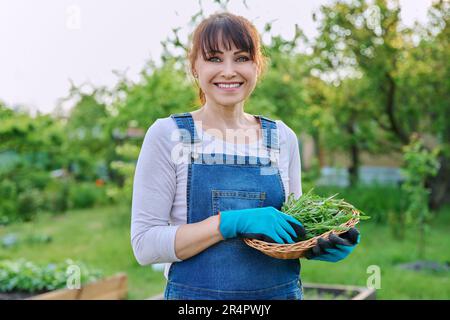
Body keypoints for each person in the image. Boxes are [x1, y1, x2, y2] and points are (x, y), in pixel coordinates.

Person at [131, 12, 360, 300]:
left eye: (241, 58)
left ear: (257, 66)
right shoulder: (170, 135)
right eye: (214, 58)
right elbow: (144, 245)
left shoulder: (281, 138)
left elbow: (291, 232)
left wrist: (318, 244)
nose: (228, 71)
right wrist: (230, 223)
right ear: (194, 68)